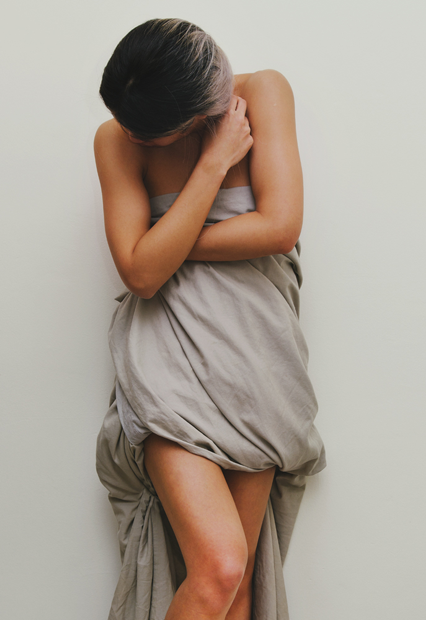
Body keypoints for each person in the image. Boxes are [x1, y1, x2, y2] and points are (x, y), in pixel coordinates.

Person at [94, 18, 326, 620]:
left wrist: (161, 245)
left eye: (149, 134)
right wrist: (214, 166)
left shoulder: (264, 91)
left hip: (257, 355)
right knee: (219, 566)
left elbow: (280, 228)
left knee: (238, 585)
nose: (130, 133)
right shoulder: (115, 139)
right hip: (166, 357)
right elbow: (142, 276)